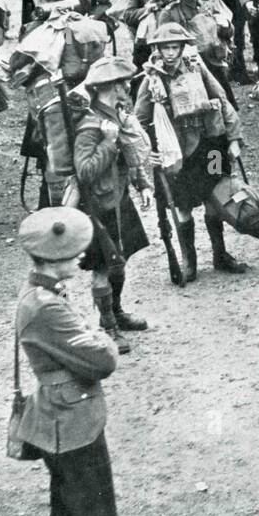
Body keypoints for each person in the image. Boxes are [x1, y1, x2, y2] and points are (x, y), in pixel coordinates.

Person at [13, 206, 144, 516]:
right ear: (54, 260)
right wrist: (102, 338)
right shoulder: (47, 307)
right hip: (74, 425)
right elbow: (102, 360)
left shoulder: (41, 294)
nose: (81, 257)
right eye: (73, 253)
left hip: (58, 421)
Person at [134, 23, 246, 278]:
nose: (171, 53)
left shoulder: (196, 67)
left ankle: (220, 254)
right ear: (157, 49)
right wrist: (147, 151)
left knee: (216, 194)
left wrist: (234, 139)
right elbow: (138, 120)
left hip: (211, 144)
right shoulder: (151, 78)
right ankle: (189, 260)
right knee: (181, 203)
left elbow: (223, 100)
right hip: (175, 152)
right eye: (165, 48)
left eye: (175, 47)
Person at [73, 56, 153, 353]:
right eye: (123, 83)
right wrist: (107, 141)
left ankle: (116, 313)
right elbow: (85, 171)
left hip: (119, 198)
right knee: (103, 269)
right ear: (111, 86)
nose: (128, 87)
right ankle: (107, 327)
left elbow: (128, 152)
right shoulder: (91, 125)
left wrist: (142, 182)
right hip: (98, 206)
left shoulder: (115, 115)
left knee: (120, 260)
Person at [156, 0, 236, 106]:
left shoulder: (208, 3)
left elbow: (227, 34)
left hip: (214, 65)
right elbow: (163, 46)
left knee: (226, 109)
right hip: (189, 70)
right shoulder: (171, 12)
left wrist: (225, 26)